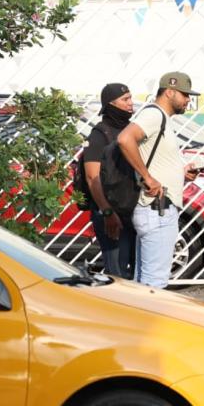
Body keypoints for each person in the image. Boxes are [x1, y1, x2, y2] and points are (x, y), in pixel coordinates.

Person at [117, 71, 197, 288]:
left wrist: (180, 173)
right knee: (154, 285)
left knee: (144, 284)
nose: (188, 100)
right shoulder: (154, 115)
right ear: (169, 92)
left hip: (155, 209)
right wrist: (147, 177)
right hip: (157, 209)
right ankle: (148, 322)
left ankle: (137, 322)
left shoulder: (160, 118)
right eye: (185, 94)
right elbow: (125, 139)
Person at [83, 82, 136, 277]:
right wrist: (107, 212)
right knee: (118, 275)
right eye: (125, 99)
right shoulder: (100, 134)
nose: (131, 103)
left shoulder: (131, 130)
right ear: (110, 104)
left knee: (137, 274)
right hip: (111, 214)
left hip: (132, 212)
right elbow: (92, 176)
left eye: (130, 98)